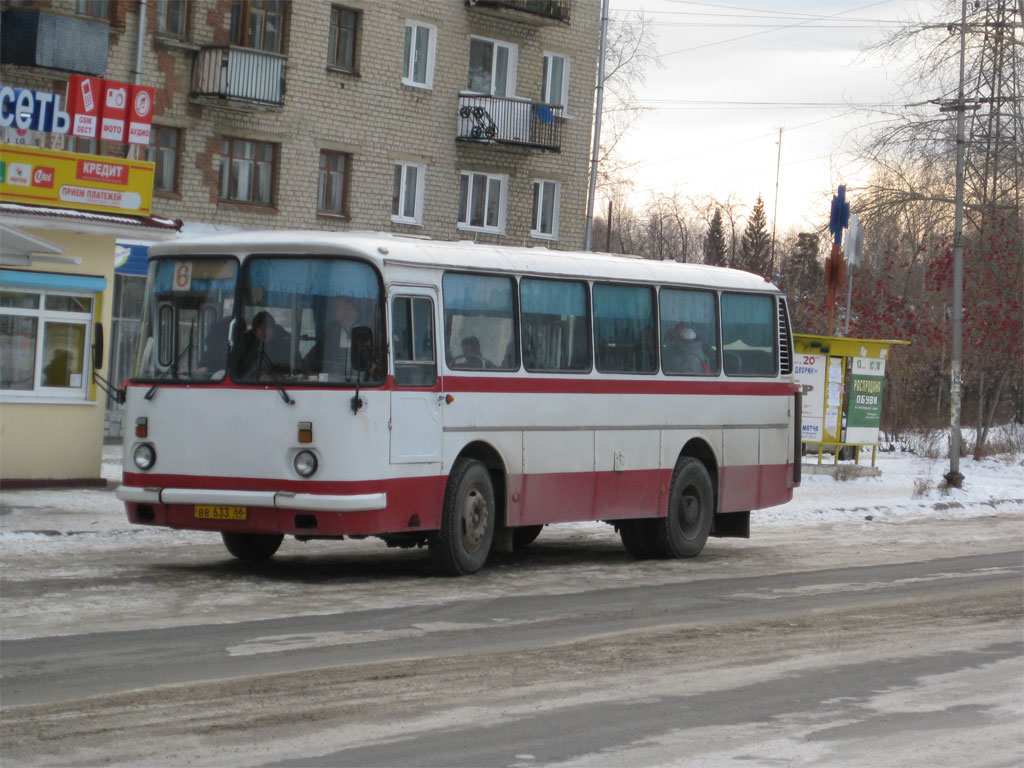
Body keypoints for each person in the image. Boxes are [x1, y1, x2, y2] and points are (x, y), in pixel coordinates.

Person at [304, 295, 358, 377]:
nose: (333, 310)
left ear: (349, 307)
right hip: (330, 382)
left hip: (358, 384)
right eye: (333, 306)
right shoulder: (331, 329)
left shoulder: (365, 329)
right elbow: (314, 355)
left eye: (337, 306)